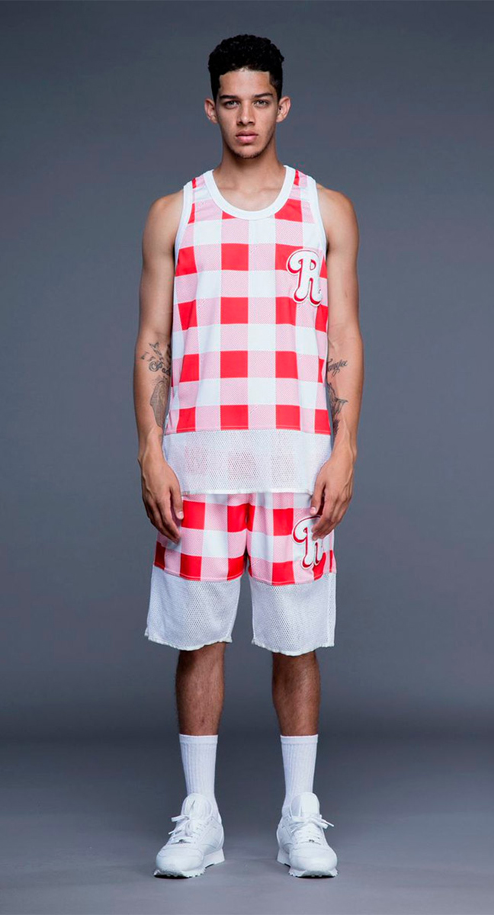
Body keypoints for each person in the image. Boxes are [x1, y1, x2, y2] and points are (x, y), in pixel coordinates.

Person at [133, 33, 363, 879]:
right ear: (211, 108)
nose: (246, 117)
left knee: (296, 638)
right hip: (198, 459)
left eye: (260, 101)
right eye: (230, 101)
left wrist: (344, 447)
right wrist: (150, 449)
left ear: (282, 106)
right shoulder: (176, 212)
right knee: (200, 637)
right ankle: (200, 815)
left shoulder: (325, 209)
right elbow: (153, 341)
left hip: (297, 461)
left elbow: (343, 335)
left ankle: (300, 815)